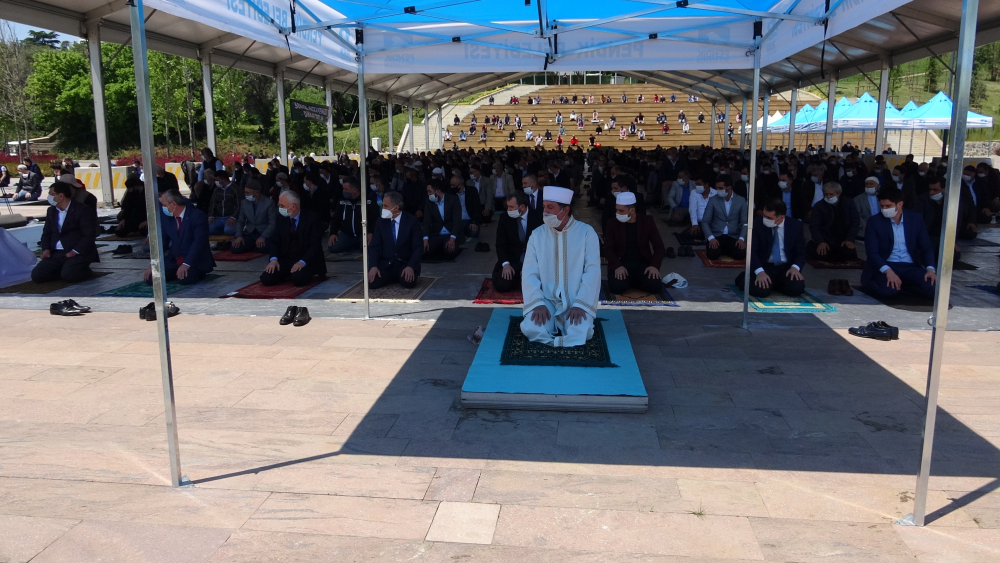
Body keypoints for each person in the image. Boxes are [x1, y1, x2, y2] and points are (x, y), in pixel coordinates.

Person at [520, 186, 601, 348]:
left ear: (565, 210)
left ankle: (559, 338)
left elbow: (592, 271)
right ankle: (556, 339)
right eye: (544, 207)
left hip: (576, 299)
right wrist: (537, 303)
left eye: (550, 207)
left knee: (580, 330)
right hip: (546, 300)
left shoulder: (586, 233)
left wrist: (580, 304)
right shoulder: (537, 235)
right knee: (533, 327)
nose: (545, 212)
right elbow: (529, 272)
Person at [861, 186, 936, 300]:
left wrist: (930, 269)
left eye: (888, 206)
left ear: (900, 204)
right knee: (888, 292)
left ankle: (904, 285)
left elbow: (926, 246)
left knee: (934, 289)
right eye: (882, 206)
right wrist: (888, 271)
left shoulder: (915, 219)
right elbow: (872, 252)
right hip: (887, 264)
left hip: (910, 266)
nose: (884, 209)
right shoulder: (874, 222)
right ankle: (875, 282)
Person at [735, 199, 806, 298]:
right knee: (761, 291)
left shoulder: (795, 226)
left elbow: (801, 252)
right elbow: (751, 252)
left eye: (769, 217)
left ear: (781, 218)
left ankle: (774, 284)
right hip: (765, 266)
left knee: (797, 288)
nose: (764, 219)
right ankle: (744, 278)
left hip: (786, 267)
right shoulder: (756, 224)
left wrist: (795, 268)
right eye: (764, 215)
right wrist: (759, 272)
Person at [144, 189, 216, 285]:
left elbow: (198, 243)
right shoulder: (167, 218)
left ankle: (195, 273)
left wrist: (186, 264)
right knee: (151, 279)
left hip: (194, 260)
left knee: (184, 279)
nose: (162, 208)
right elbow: (162, 241)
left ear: (173, 204)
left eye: (164, 205)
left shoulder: (197, 216)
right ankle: (175, 271)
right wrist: (153, 264)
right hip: (174, 258)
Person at [32, 182, 98, 284]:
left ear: (61, 196)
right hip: (56, 252)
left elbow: (89, 235)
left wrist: (75, 251)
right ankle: (62, 269)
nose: (49, 197)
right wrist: (46, 249)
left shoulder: (82, 210)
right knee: (37, 275)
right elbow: (47, 233)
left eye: (52, 194)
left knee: (70, 275)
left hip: (76, 252)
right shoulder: (51, 211)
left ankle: (84, 271)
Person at [604, 192, 665, 295]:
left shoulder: (647, 221)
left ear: (632, 210)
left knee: (655, 286)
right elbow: (608, 249)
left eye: (621, 211)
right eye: (617, 210)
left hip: (643, 264)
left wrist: (654, 266)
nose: (617, 213)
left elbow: (659, 247)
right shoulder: (612, 223)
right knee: (616, 287)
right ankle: (632, 281)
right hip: (621, 264)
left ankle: (633, 280)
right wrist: (617, 266)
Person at [261, 191, 326, 287]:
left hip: (305, 259)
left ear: (293, 207)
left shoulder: (312, 218)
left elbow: (315, 245)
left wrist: (302, 262)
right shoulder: (281, 218)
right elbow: (275, 241)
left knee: (298, 279)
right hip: (286, 258)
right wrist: (273, 259)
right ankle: (287, 272)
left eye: (282, 205)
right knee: (266, 278)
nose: (280, 208)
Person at [368, 191, 423, 289]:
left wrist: (411, 266)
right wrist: (373, 266)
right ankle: (391, 277)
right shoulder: (380, 222)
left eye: (385, 206)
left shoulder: (412, 221)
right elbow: (374, 246)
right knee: (372, 283)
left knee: (408, 283)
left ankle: (398, 276)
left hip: (404, 263)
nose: (382, 209)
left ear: (396, 208)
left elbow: (418, 247)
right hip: (386, 263)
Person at [493, 192, 541, 293]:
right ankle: (519, 279)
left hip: (533, 260)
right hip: (513, 260)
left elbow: (543, 246)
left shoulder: (538, 218)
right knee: (501, 284)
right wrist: (506, 264)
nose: (508, 210)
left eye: (511, 207)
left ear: (522, 207)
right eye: (507, 207)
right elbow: (500, 244)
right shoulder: (504, 218)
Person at [807, 182, 860, 262]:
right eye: (826, 194)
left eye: (831, 194)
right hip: (825, 239)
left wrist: (849, 239)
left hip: (842, 239)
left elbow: (855, 221)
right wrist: (820, 241)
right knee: (820, 253)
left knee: (849, 254)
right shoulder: (819, 206)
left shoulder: (848, 203)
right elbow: (814, 225)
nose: (828, 197)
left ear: (838, 194)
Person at [702, 175, 748, 260]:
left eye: (720, 188)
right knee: (712, 254)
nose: (717, 190)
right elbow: (705, 221)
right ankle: (723, 249)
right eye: (717, 188)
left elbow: (744, 222)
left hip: (733, 236)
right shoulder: (713, 200)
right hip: (716, 235)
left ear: (729, 188)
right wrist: (711, 238)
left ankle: (724, 250)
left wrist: (741, 239)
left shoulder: (741, 201)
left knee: (741, 254)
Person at [328, 177, 378, 254]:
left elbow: (375, 219)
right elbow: (336, 219)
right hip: (347, 234)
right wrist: (333, 233)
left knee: (370, 248)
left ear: (354, 190)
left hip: (364, 233)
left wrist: (371, 232)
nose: (344, 191)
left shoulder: (368, 202)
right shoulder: (342, 202)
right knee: (333, 247)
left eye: (346, 189)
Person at [232, 180, 277, 254]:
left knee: (265, 248)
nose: (245, 194)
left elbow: (272, 223)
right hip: (250, 233)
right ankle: (253, 245)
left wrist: (263, 237)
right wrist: (239, 235)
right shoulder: (244, 203)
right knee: (235, 248)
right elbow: (241, 221)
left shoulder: (269, 203)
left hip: (263, 232)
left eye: (247, 192)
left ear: (256, 192)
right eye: (245, 192)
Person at [423, 180, 464, 259]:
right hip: (437, 233)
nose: (428, 194)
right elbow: (427, 222)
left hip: (450, 233)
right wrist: (425, 239)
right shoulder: (428, 202)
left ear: (437, 191)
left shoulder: (453, 200)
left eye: (429, 191)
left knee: (450, 251)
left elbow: (457, 220)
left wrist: (452, 238)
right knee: (424, 250)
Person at [207, 169, 240, 236]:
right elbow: (213, 203)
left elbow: (240, 205)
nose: (216, 182)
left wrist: (233, 217)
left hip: (230, 217)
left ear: (223, 180)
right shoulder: (216, 190)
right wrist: (211, 216)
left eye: (217, 180)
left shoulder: (236, 189)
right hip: (218, 217)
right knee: (208, 229)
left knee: (228, 231)